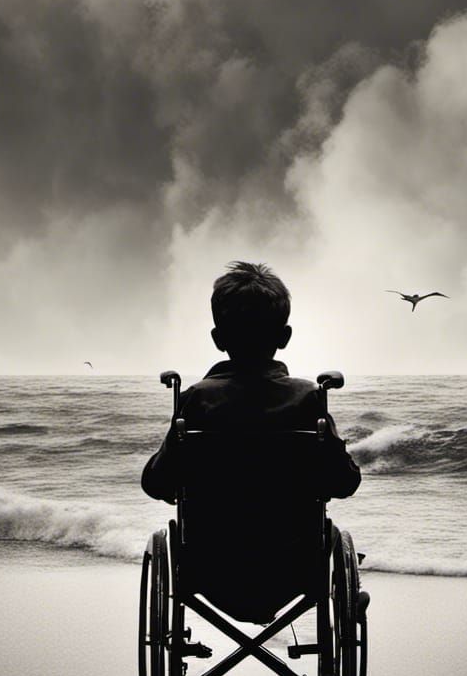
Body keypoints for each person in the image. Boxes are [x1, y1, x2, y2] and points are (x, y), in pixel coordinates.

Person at [141, 261, 360, 622]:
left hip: (210, 568)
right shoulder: (308, 399)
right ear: (284, 337)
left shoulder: (197, 400)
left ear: (218, 339)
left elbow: (156, 483)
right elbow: (344, 482)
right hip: (294, 569)